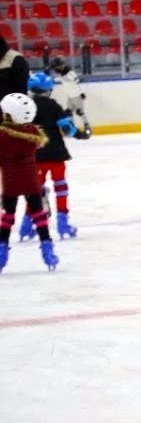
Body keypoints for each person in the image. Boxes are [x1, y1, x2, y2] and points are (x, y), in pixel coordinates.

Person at [21, 72, 84, 242]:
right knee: (60, 188)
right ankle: (63, 224)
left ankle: (26, 225)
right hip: (56, 154)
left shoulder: (26, 107)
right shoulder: (53, 106)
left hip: (35, 156)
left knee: (35, 191)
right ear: (48, 89)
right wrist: (80, 134)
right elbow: (67, 128)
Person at [0, 93, 58, 272]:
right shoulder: (33, 132)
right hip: (31, 179)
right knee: (39, 214)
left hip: (10, 181)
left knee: (7, 216)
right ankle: (47, 249)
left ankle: (2, 252)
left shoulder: (2, 136)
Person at [49, 57, 91, 136]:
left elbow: (77, 82)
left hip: (76, 95)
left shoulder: (70, 73)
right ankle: (73, 129)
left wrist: (81, 93)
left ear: (60, 65)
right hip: (70, 96)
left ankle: (87, 127)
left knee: (80, 112)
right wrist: (52, 79)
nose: (55, 69)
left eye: (56, 67)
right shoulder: (61, 74)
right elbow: (60, 79)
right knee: (68, 112)